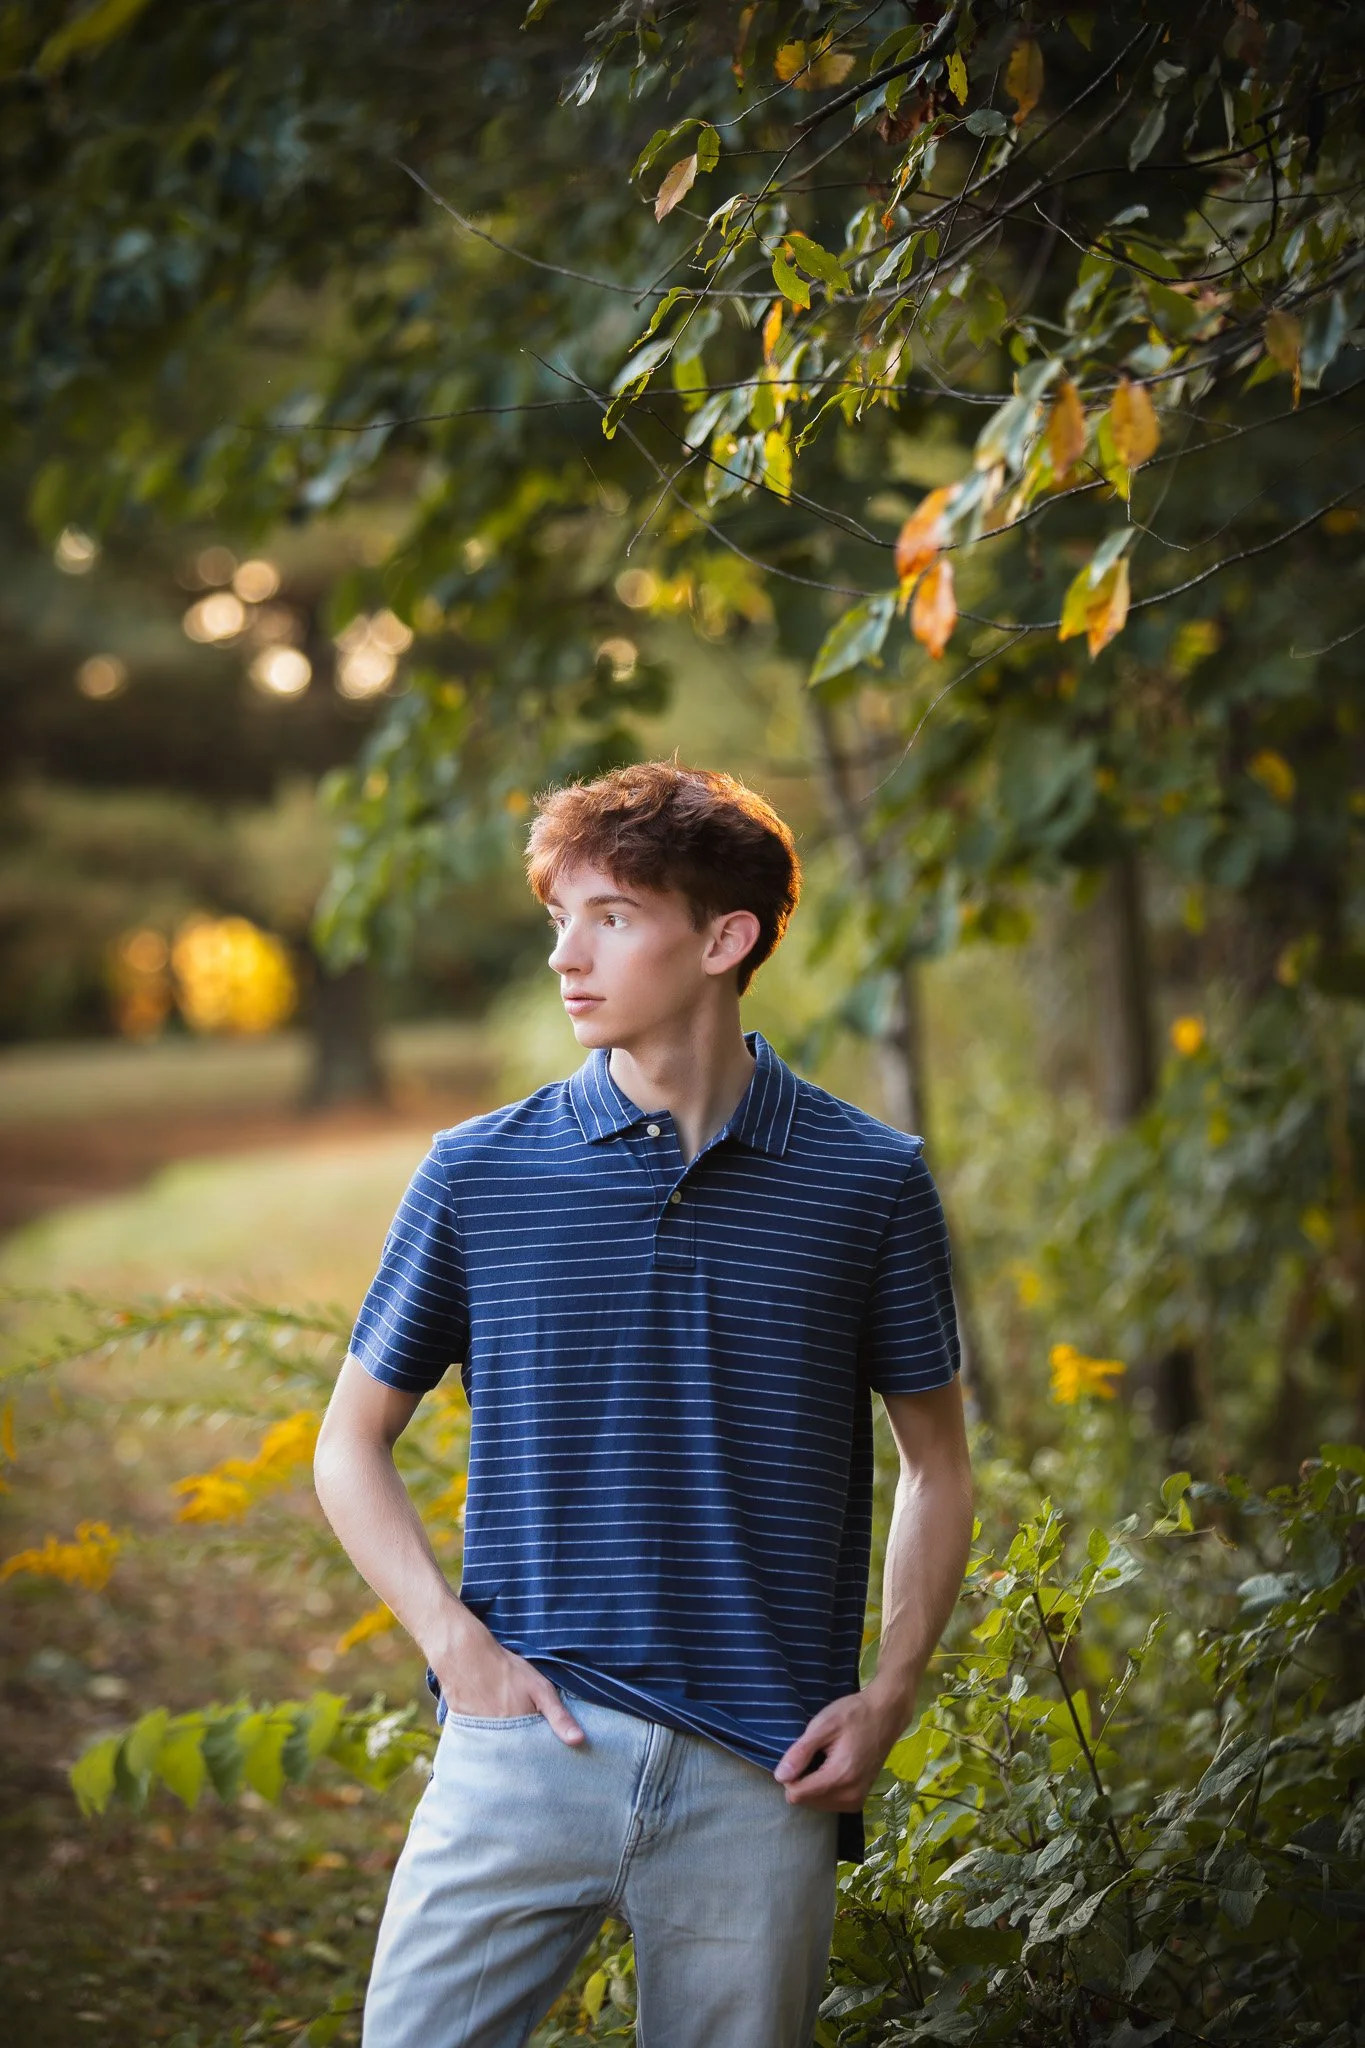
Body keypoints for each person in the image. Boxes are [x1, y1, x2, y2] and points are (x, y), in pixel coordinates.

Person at [313, 760, 974, 2048]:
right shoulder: (477, 1174)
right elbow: (350, 1444)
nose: (566, 952)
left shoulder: (869, 1181)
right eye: (558, 913)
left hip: (760, 1773)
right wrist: (457, 1649)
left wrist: (889, 1694)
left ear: (725, 939)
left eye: (609, 915)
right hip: (522, 1745)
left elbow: (938, 1466)